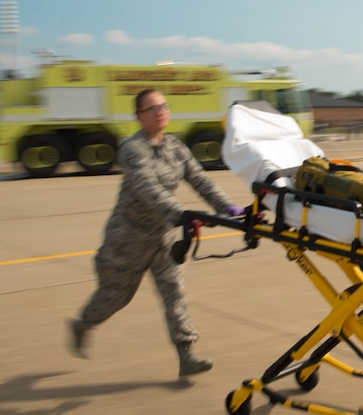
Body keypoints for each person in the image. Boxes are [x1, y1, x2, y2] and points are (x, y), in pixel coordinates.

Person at [68, 89, 243, 379]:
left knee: (174, 293)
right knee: (116, 296)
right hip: (128, 237)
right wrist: (182, 215)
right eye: (151, 108)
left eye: (163, 106)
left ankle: (186, 355)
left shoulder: (175, 146)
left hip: (164, 236)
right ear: (138, 116)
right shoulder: (132, 149)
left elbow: (199, 178)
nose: (160, 111)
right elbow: (149, 189)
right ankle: (83, 324)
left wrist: (227, 207)